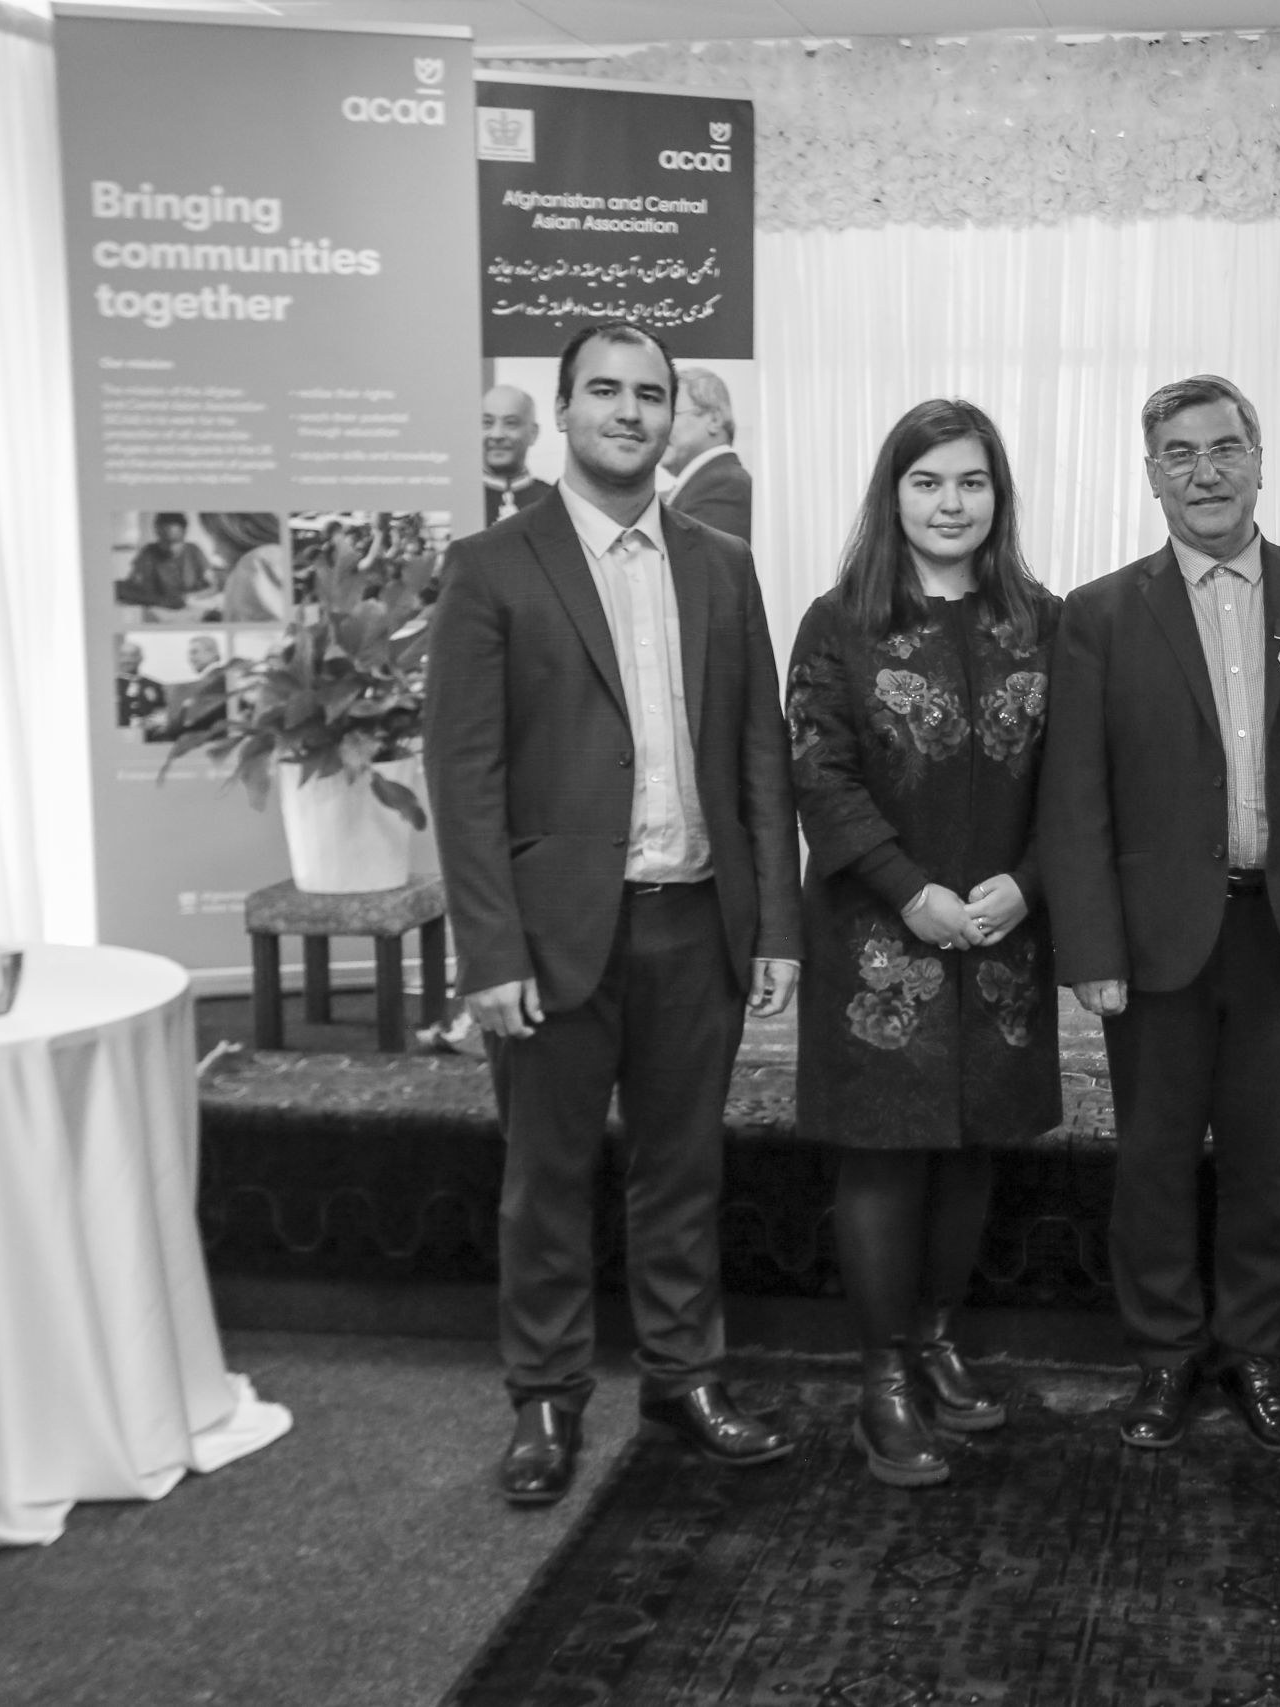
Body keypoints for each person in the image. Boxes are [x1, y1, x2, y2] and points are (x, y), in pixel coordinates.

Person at [426, 320, 805, 1507]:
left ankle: (685, 1377)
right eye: (606, 392)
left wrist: (778, 926)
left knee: (683, 1171)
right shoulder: (492, 566)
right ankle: (544, 1398)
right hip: (550, 937)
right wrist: (488, 949)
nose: (630, 413)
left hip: (696, 922)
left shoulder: (718, 561)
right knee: (545, 1179)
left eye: (650, 394)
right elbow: (464, 776)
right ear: (565, 409)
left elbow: (760, 756)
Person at [1039, 374, 1280, 1457]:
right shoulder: (1099, 615)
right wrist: (1091, 945)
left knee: (1266, 1156)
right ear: (1150, 475)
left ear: (1259, 459)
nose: (1205, 472)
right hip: (1153, 941)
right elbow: (1075, 797)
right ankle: (1162, 1356)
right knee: (1152, 1154)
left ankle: (1254, 1354)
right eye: (1180, 455)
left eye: (1223, 449)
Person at [783, 398, 1061, 1487]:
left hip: (1002, 938)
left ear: (999, 497)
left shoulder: (1041, 620)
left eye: (972, 482)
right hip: (877, 942)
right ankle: (882, 1377)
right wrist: (911, 894)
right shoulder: (837, 624)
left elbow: (1074, 784)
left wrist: (1027, 887)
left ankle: (938, 1336)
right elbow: (819, 775)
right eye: (928, 481)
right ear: (891, 494)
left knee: (971, 1154)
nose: (952, 504)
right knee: (887, 1159)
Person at [663, 367, 750, 541]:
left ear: (714, 420)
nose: (661, 426)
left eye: (672, 414)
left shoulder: (725, 486)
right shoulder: (711, 483)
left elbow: (694, 565)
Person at [481, 384, 557, 526]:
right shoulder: (460, 495)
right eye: (487, 423)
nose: (497, 434)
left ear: (533, 433)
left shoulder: (553, 502)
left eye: (510, 423)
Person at [116, 512, 213, 612]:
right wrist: (161, 601)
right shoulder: (148, 552)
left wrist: (189, 598)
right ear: (157, 534)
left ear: (184, 534)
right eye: (165, 540)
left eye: (176, 541)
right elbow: (128, 589)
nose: (171, 547)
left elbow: (213, 586)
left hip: (191, 611)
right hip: (157, 612)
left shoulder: (194, 551)